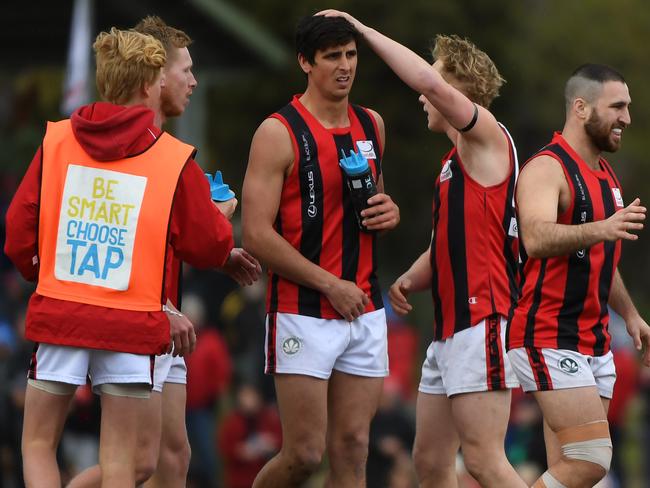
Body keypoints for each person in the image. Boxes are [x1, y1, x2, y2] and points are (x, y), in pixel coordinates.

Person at [4, 28, 235, 487]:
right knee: (122, 465)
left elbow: (17, 233)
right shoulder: (172, 157)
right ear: (150, 83)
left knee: (36, 445)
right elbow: (209, 246)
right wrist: (223, 216)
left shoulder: (58, 140)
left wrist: (43, 272)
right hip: (131, 325)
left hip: (62, 313)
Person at [319, 10, 525, 488]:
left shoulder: (486, 135)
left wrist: (364, 31)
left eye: (433, 81)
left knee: (484, 461)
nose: (421, 95)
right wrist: (413, 276)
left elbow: (428, 84)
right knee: (430, 463)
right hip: (449, 329)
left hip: (484, 320)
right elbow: (447, 245)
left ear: (456, 90)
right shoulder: (454, 161)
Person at [66, 16, 261, 488]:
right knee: (134, 464)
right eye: (185, 70)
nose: (193, 81)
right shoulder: (128, 152)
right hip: (138, 319)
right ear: (155, 76)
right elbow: (118, 246)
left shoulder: (171, 151)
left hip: (162, 318)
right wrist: (220, 223)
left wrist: (219, 250)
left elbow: (186, 239)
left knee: (173, 458)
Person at [241, 14, 400, 487]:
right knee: (306, 454)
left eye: (351, 55)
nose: (345, 66)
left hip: (364, 309)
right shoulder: (278, 132)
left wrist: (387, 212)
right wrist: (331, 284)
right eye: (333, 56)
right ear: (306, 62)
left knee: (353, 448)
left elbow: (373, 204)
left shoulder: (372, 124)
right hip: (303, 309)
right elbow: (255, 234)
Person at [506, 63, 650, 488]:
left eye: (628, 107)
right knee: (591, 460)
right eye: (617, 106)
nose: (626, 117)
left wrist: (630, 314)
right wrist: (601, 228)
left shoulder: (606, 176)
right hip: (548, 334)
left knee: (569, 469)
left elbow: (602, 259)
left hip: (595, 340)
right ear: (581, 108)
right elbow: (534, 237)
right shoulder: (546, 168)